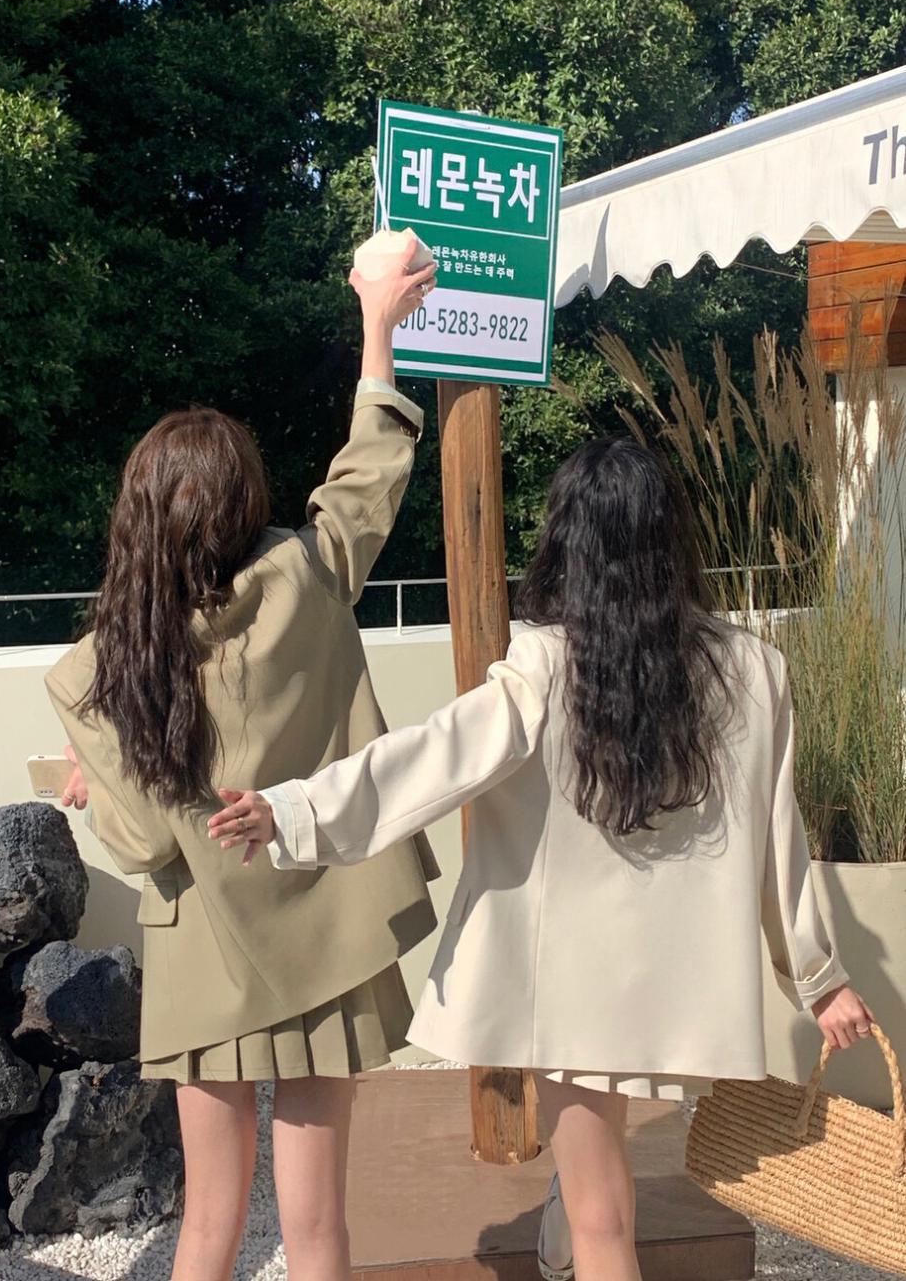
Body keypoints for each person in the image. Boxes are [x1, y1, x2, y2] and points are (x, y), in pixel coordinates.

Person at [208, 435, 873, 1281]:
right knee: (598, 1198)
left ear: (569, 543)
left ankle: (569, 1235)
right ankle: (561, 1235)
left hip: (572, 987)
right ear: (670, 536)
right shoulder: (754, 670)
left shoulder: (544, 666)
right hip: (678, 982)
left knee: (603, 1219)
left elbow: (429, 759)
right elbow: (784, 838)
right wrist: (818, 977)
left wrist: (295, 810)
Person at [47, 237, 440, 1281]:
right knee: (318, 1229)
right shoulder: (306, 579)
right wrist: (376, 321)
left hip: (204, 947)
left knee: (208, 1227)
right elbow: (369, 471)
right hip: (332, 930)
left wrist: (95, 781)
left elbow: (142, 846)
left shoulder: (107, 665)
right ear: (244, 501)